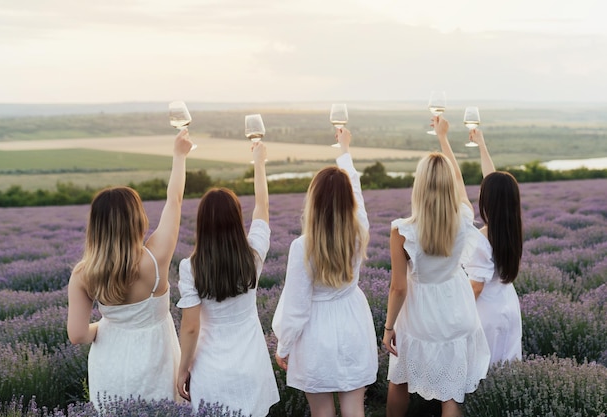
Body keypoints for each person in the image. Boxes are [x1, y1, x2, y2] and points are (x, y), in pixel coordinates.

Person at [67, 128, 193, 408]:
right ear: (137, 218)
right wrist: (179, 156)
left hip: (110, 364)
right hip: (156, 360)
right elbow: (175, 200)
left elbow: (77, 335)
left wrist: (106, 325)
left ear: (96, 226)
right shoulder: (155, 257)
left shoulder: (83, 273)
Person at [383, 116, 490, 417]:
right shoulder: (464, 217)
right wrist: (444, 140)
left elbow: (398, 287)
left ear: (419, 185)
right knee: (451, 395)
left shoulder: (403, 230)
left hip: (418, 315)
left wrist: (389, 327)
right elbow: (457, 181)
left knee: (399, 379)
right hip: (456, 309)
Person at [272, 128, 378, 417]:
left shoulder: (302, 246)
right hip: (352, 320)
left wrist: (284, 345)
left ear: (314, 201)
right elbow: (356, 191)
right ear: (348, 203)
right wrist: (344, 151)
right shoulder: (360, 232)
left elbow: (296, 306)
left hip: (315, 331)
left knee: (321, 412)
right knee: (354, 408)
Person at [176, 142, 279, 416]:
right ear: (237, 220)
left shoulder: (191, 267)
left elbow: (190, 328)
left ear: (201, 224)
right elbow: (262, 207)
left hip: (211, 370)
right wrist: (259, 162)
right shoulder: (253, 255)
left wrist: (183, 368)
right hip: (250, 363)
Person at [462, 129, 523, 366]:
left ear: (488, 200)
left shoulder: (481, 238)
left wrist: (453, 308)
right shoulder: (511, 227)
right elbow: (497, 182)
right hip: (508, 304)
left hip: (485, 310)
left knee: (481, 370)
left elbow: (476, 287)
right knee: (507, 368)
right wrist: (481, 145)